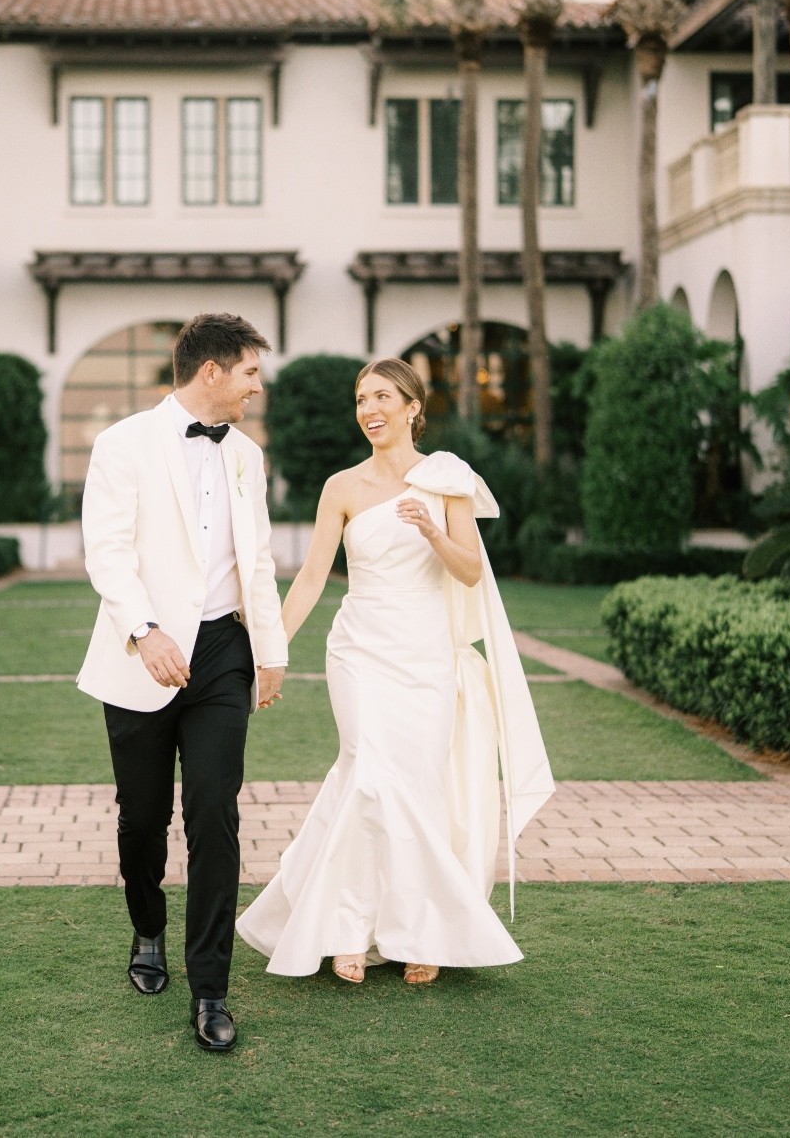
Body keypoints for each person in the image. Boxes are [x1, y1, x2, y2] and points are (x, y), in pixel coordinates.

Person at [237, 358, 554, 984]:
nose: (368, 409)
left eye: (382, 396)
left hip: (426, 654)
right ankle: (348, 928)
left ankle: (423, 931)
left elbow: (469, 571)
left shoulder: (448, 479)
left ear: (413, 406)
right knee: (368, 778)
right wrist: (270, 650)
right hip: (358, 649)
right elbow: (309, 577)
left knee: (414, 786)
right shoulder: (342, 487)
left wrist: (433, 531)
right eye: (361, 399)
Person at [77, 313, 287, 1052]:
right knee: (141, 821)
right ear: (213, 373)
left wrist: (272, 650)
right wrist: (145, 629)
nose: (257, 387)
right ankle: (146, 928)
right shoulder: (122, 443)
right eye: (250, 373)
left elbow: (256, 559)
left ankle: (211, 989)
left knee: (215, 814)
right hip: (143, 656)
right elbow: (106, 550)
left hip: (225, 651)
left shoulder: (248, 457)